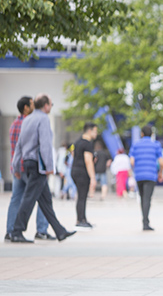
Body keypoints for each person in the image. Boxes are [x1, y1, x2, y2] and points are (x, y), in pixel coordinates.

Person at [9, 93, 76, 243]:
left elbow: (19, 145)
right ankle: (17, 231)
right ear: (45, 106)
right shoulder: (43, 119)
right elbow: (45, 144)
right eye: (51, 105)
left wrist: (16, 166)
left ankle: (60, 231)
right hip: (38, 165)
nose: (51, 107)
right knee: (29, 198)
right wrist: (50, 167)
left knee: (45, 200)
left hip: (27, 163)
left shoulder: (27, 119)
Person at [5, 96, 53, 241]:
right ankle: (41, 230)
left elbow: (16, 148)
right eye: (32, 104)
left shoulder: (14, 124)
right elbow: (41, 145)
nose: (34, 107)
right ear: (26, 107)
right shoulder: (31, 122)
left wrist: (15, 167)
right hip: (29, 166)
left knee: (16, 199)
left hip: (18, 167)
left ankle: (11, 231)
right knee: (40, 196)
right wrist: (48, 166)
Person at [129, 124, 163, 231]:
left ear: (142, 134)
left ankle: (144, 220)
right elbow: (161, 162)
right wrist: (160, 173)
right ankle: (145, 222)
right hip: (151, 175)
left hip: (139, 175)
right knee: (147, 199)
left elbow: (131, 161)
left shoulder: (135, 144)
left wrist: (137, 169)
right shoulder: (156, 145)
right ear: (152, 134)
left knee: (142, 197)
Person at [71, 122, 98, 228]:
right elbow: (88, 161)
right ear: (90, 131)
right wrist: (92, 177)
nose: (96, 134)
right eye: (95, 131)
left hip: (75, 170)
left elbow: (73, 154)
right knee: (82, 196)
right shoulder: (87, 144)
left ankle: (82, 218)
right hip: (82, 172)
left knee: (81, 196)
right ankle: (80, 220)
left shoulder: (77, 142)